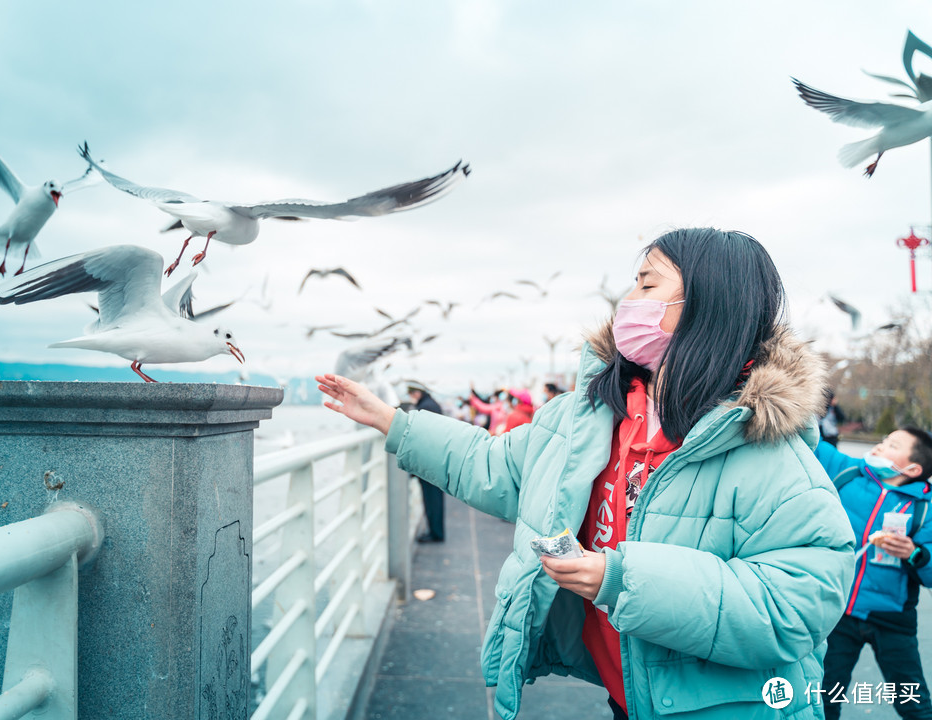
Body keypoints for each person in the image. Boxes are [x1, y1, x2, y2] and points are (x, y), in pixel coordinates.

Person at [316, 228, 854, 720]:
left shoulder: (770, 452)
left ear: (706, 307)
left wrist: (620, 580)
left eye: (648, 285)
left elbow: (796, 605)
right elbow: (492, 465)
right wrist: (391, 422)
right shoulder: (590, 418)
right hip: (630, 695)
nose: (628, 302)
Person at [814, 427, 932, 719]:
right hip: (838, 612)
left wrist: (914, 553)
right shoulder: (849, 472)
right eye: (883, 439)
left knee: (913, 703)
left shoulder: (925, 509)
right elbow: (809, 439)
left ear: (912, 468)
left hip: (891, 619)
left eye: (892, 445)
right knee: (824, 696)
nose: (880, 446)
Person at [406, 382, 446, 543]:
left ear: (417, 392)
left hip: (430, 462)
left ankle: (436, 533)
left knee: (432, 500)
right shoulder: (431, 404)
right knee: (433, 499)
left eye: (411, 393)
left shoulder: (426, 407)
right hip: (436, 460)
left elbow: (423, 437)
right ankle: (436, 531)